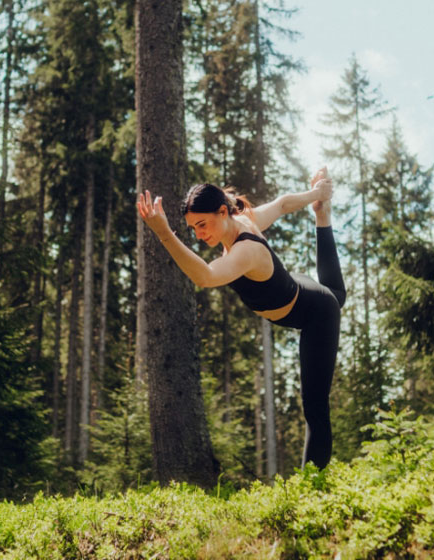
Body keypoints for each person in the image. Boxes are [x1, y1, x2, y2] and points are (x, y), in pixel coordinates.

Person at [136, 167, 345, 469]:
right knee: (336, 294)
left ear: (223, 212)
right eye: (193, 228)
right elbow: (283, 204)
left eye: (202, 224)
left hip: (314, 313)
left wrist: (164, 233)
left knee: (315, 405)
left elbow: (206, 277)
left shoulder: (246, 249)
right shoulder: (241, 221)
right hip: (297, 288)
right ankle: (322, 213)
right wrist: (316, 194)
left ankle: (311, 489)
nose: (199, 234)